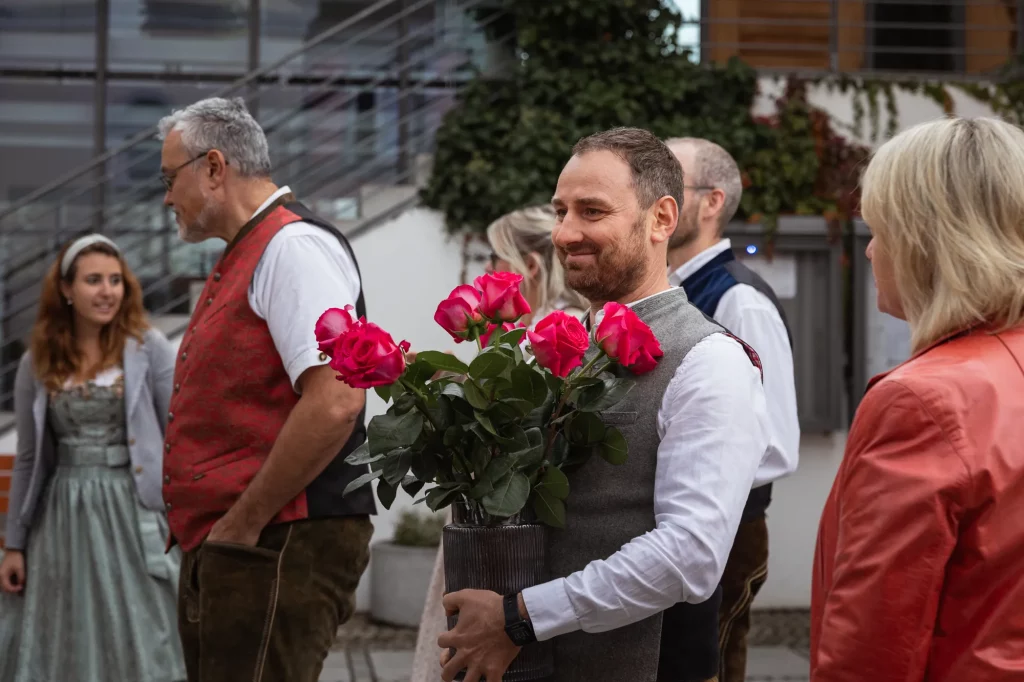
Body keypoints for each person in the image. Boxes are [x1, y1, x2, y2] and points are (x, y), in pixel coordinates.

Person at [436, 127, 778, 682]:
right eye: (561, 210)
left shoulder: (712, 362)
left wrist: (520, 617)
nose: (566, 233)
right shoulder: (548, 345)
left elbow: (688, 555)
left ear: (662, 219)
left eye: (592, 211)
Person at [157, 96, 376, 682]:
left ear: (213, 168)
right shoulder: (258, 247)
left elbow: (336, 398)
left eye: (167, 177)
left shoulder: (292, 247)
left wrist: (242, 521)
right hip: (253, 539)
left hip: (277, 538)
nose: (164, 197)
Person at [811, 117, 1024, 681]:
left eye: (879, 229)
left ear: (928, 242)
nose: (871, 250)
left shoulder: (923, 401)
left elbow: (872, 648)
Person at [409, 204, 588, 682]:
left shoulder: (556, 331)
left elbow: (524, 435)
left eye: (494, 258)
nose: (486, 270)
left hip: (513, 537)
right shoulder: (524, 334)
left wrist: (461, 391)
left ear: (528, 266)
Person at [0, 234, 185, 682]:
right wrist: (14, 544)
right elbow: (28, 459)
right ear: (66, 289)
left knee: (143, 630)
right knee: (64, 632)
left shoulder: (149, 347)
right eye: (93, 280)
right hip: (61, 515)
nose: (107, 291)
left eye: (115, 280)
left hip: (132, 509)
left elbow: (177, 436)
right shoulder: (38, 360)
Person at [661, 137, 801, 682]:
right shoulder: (677, 288)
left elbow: (776, 442)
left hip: (726, 530)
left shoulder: (739, 299)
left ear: (712, 202)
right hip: (689, 526)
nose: (657, 197)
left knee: (711, 666)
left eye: (672, 184)